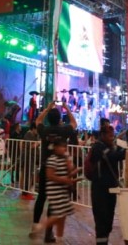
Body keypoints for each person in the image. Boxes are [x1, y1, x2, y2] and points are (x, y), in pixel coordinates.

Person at [30, 101, 77, 241]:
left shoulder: (44, 131)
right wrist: (67, 108)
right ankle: (48, 234)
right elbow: (74, 123)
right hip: (59, 170)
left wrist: (47, 108)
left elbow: (38, 120)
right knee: (54, 202)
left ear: (49, 119)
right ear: (60, 119)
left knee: (41, 198)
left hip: (45, 167)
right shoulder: (64, 131)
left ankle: (35, 226)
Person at [89, 125, 126, 244]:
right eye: (110, 136)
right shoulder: (98, 147)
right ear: (103, 135)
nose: (112, 138)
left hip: (110, 189)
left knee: (109, 220)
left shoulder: (110, 146)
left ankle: (104, 241)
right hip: (99, 190)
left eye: (113, 135)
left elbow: (115, 155)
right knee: (101, 221)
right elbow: (112, 156)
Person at [44, 136, 80, 244]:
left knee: (62, 215)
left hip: (63, 190)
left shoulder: (64, 158)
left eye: (65, 147)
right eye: (62, 147)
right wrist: (64, 180)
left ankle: (59, 238)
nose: (64, 149)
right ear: (55, 148)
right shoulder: (52, 159)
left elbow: (70, 171)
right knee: (59, 214)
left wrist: (74, 169)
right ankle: (40, 226)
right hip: (55, 190)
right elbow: (50, 175)